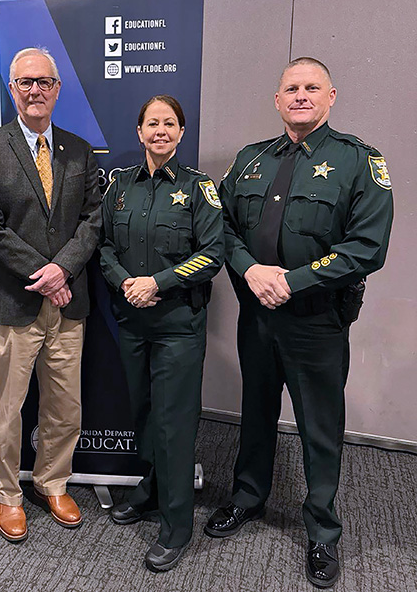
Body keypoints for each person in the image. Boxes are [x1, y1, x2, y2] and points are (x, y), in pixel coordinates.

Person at [204, 58, 393, 588]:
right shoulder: (250, 159)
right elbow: (218, 226)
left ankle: (323, 532)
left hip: (316, 319)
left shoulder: (360, 161)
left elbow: (367, 247)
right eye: (292, 88)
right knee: (256, 411)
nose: (301, 95)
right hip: (257, 314)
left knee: (319, 426)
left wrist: (294, 280)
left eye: (312, 87)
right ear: (277, 99)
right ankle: (247, 496)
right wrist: (249, 269)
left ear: (331, 96)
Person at [0, 47, 101, 543]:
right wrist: (43, 271)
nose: (35, 90)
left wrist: (61, 270)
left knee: (65, 405)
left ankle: (53, 482)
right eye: (25, 82)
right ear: (12, 90)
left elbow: (94, 220)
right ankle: (8, 494)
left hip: (67, 303)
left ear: (57, 89)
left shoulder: (79, 150)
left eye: (44, 82)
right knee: (4, 407)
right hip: (9, 302)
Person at [99, 95, 224, 572]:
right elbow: (105, 245)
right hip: (132, 320)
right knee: (144, 413)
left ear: (181, 132)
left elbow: (213, 253)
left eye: (169, 124)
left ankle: (176, 527)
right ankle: (149, 493)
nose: (160, 131)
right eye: (152, 123)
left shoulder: (199, 189)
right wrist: (126, 283)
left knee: (174, 425)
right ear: (139, 131)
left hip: (177, 326)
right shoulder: (120, 187)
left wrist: (158, 283)